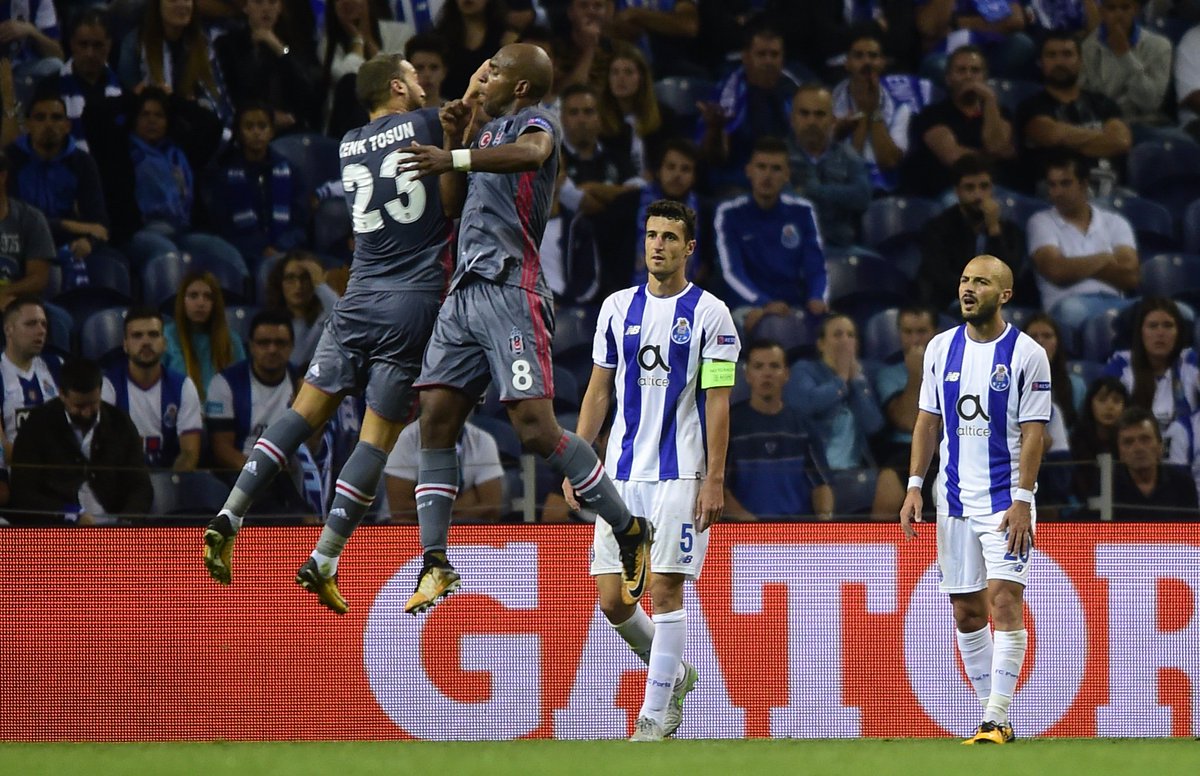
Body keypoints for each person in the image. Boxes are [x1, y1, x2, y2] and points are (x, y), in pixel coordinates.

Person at [395, 43, 652, 615]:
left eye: (492, 74)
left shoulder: (537, 123)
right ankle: (435, 561)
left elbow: (534, 154)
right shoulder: (482, 135)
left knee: (535, 430)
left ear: (517, 86)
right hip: (464, 288)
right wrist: (455, 141)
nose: (480, 80)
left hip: (512, 286)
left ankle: (628, 527)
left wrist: (457, 155)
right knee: (434, 418)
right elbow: (451, 206)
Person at [203, 54, 456, 615]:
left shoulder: (347, 144)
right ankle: (324, 556)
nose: (424, 84)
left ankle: (231, 512)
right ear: (397, 86)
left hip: (357, 299)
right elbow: (468, 122)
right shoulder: (427, 122)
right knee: (375, 440)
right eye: (415, 76)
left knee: (301, 413)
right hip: (412, 302)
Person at [566, 199, 738, 741]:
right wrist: (578, 459)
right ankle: (675, 676)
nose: (658, 245)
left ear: (689, 248)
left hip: (680, 473)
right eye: (652, 235)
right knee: (613, 601)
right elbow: (598, 391)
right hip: (620, 476)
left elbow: (718, 402)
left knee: (664, 592)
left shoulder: (711, 313)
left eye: (669, 237)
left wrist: (714, 478)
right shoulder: (617, 308)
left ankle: (653, 717)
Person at [900, 254, 1052, 745]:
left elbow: (1034, 432)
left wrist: (1024, 499)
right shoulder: (940, 348)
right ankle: (994, 718)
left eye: (981, 282)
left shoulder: (1028, 353)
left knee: (1004, 599)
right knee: (967, 613)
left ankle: (996, 716)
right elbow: (928, 421)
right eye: (965, 279)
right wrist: (914, 485)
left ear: (1004, 295)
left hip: (1006, 502)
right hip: (953, 501)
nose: (968, 289)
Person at [9, 357, 152, 526]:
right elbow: (23, 492)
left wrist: (128, 521)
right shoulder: (37, 426)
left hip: (115, 527)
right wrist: (69, 514)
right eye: (79, 406)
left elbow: (141, 486)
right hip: (58, 529)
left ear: (100, 392)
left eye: (93, 404)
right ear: (62, 394)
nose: (86, 413)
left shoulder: (120, 423)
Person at [713, 136, 828, 333]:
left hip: (794, 306)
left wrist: (817, 297)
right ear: (749, 171)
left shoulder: (802, 211)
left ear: (787, 175)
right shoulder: (729, 213)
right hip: (746, 305)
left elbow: (816, 267)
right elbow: (732, 272)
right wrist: (763, 303)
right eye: (761, 167)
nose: (767, 175)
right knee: (769, 326)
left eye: (776, 169)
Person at [5, 91, 117, 291]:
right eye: (40, 117)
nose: (48, 124)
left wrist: (89, 241)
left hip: (68, 244)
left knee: (113, 266)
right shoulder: (11, 160)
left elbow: (100, 223)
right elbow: (14, 221)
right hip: (19, 244)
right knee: (51, 275)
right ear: (28, 124)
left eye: (56, 118)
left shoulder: (82, 162)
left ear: (67, 126)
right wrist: (70, 225)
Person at [206, 309, 314, 516]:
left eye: (280, 343)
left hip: (291, 473)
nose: (272, 349)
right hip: (242, 471)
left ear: (291, 347)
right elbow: (222, 449)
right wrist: (261, 472)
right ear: (251, 346)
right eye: (264, 343)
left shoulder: (302, 385)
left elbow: (312, 448)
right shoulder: (225, 383)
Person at [1027, 151, 1138, 331]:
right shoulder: (1040, 222)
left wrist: (1074, 267)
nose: (1057, 192)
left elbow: (1130, 276)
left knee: (1178, 312)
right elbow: (1056, 271)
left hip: (1117, 302)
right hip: (1069, 304)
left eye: (1065, 183)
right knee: (1071, 311)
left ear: (1084, 184)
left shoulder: (1115, 222)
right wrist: (1104, 258)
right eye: (1052, 185)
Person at [724, 339, 833, 521]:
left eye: (774, 366)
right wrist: (753, 527)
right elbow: (720, 490)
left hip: (796, 531)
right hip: (745, 531)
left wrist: (824, 521)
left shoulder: (803, 426)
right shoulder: (729, 426)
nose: (767, 373)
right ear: (747, 375)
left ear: (786, 374)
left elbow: (821, 484)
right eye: (758, 367)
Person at [1016, 31, 1131, 194]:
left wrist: (1067, 140)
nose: (1059, 62)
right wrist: (1103, 138)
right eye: (1051, 55)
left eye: (1067, 54)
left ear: (1080, 61)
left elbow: (1121, 141)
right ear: (1041, 62)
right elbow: (1052, 135)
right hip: (1057, 194)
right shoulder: (1031, 106)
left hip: (1111, 191)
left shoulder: (1103, 103)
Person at [903, 45, 1015, 198]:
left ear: (985, 78)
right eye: (961, 70)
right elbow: (955, 158)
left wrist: (990, 99)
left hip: (995, 189)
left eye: (975, 70)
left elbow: (996, 146)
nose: (968, 76)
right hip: (951, 190)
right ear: (948, 78)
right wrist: (994, 157)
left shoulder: (1000, 112)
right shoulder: (932, 114)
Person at [918, 154, 1025, 312]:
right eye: (969, 188)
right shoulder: (937, 229)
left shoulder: (1009, 231)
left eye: (984, 187)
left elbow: (1010, 275)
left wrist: (994, 230)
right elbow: (941, 277)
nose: (978, 195)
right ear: (957, 191)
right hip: (950, 305)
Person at [101, 307, 204, 472]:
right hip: (123, 480)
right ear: (125, 345)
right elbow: (105, 449)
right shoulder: (108, 385)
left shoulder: (183, 386)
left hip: (170, 479)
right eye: (137, 336)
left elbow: (189, 454)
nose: (146, 342)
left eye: (153, 334)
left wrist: (169, 483)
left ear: (164, 343)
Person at [205, 102, 308, 265]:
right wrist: (260, 248)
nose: (256, 132)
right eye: (249, 127)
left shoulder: (291, 171)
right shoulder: (224, 177)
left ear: (272, 131)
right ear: (239, 133)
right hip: (243, 256)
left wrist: (280, 247)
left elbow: (300, 223)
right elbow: (223, 228)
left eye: (262, 126)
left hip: (287, 252)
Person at [1102, 297, 1199, 466]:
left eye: (1168, 325)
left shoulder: (1190, 362)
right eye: (1153, 326)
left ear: (1179, 331)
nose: (1160, 333)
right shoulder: (1120, 365)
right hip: (1133, 460)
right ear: (1140, 332)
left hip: (1185, 461)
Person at [785, 313, 885, 472]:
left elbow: (873, 425)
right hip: (816, 471)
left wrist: (857, 381)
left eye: (850, 335)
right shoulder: (804, 370)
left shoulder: (862, 377)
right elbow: (806, 405)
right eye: (838, 335)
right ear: (821, 344)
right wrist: (841, 379)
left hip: (855, 471)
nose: (845, 340)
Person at [215, 0, 322, 134]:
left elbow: (307, 90)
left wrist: (280, 49)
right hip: (248, 128)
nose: (266, 9)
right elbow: (236, 92)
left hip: (292, 127)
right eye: (258, 2)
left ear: (280, 7)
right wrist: (269, 115)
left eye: (272, 2)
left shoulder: (295, 41)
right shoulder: (227, 44)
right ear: (246, 7)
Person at [872, 305, 939, 518]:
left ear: (935, 333)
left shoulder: (954, 371)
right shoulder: (888, 374)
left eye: (922, 331)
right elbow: (909, 421)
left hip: (947, 449)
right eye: (908, 332)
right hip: (905, 451)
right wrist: (915, 374)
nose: (915, 340)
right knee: (889, 483)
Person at [787, 83, 872, 252]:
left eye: (819, 114)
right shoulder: (779, 155)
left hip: (840, 247)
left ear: (833, 120)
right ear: (792, 119)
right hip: (793, 247)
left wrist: (814, 190)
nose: (811, 121)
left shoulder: (848, 156)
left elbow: (863, 196)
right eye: (804, 114)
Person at [831, 29, 912, 193]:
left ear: (883, 63)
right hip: (848, 190)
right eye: (858, 56)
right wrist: (862, 113)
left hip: (889, 192)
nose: (866, 62)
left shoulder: (900, 107)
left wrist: (874, 111)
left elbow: (889, 162)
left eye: (873, 56)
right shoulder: (830, 104)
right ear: (847, 63)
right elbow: (848, 167)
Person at [384, 418, 505, 522]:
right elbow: (401, 511)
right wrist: (468, 501)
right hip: (406, 533)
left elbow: (492, 509)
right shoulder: (405, 439)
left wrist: (428, 509)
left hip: (463, 532)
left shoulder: (483, 440)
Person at [1080, 0, 1173, 131]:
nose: (1119, 14)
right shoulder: (1088, 47)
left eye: (1125, 8)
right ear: (1102, 12)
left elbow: (1150, 103)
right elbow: (1088, 98)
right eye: (1111, 8)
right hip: (1102, 124)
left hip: (1144, 123)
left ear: (1135, 10)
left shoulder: (1159, 46)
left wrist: (1125, 56)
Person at [163, 270, 246, 400]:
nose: (201, 303)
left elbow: (242, 388)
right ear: (182, 301)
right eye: (193, 296)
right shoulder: (166, 337)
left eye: (208, 297)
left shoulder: (232, 341)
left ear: (215, 303)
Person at [0, 295, 60, 461]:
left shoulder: (56, 366)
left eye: (43, 324)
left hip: (57, 469)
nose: (41, 331)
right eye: (31, 324)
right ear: (8, 329)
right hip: (12, 469)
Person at [1112, 406, 1200, 519]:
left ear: (1160, 446)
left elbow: (1192, 529)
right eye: (1128, 442)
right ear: (1119, 452)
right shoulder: (1107, 485)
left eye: (1145, 439)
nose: (1138, 448)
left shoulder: (1183, 483)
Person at [55, 9, 123, 150]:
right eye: (83, 44)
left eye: (97, 45)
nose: (90, 53)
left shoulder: (123, 93)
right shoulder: (51, 88)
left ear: (109, 45)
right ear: (72, 44)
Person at [263, 250, 341, 370]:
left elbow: (345, 320)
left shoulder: (325, 318)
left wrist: (320, 285)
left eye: (305, 278)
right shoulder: (269, 323)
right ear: (280, 284)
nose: (298, 285)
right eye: (290, 278)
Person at [0, 150, 54, 309]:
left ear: (2, 176)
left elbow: (39, 278)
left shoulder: (31, 218)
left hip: (18, 302)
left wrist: (5, 293)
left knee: (59, 318)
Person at [1070, 375, 1128, 509]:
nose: (1109, 407)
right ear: (1090, 403)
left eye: (1116, 401)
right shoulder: (1077, 438)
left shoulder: (1130, 440)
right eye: (1102, 400)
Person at [405, 32, 451, 109]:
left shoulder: (455, 114)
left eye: (434, 68)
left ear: (444, 72)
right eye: (419, 68)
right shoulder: (398, 114)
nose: (427, 74)